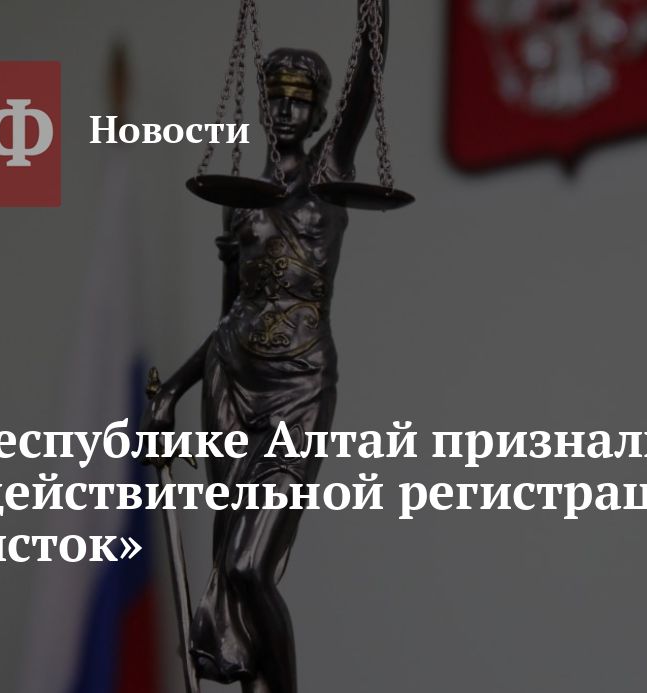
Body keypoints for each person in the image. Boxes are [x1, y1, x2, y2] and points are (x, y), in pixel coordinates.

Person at [140, 3, 388, 691]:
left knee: (251, 566)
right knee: (229, 564)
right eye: (275, 98)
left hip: (298, 388)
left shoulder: (329, 170)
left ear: (318, 113)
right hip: (232, 385)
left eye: (299, 100)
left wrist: (377, 10)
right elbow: (230, 315)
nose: (285, 110)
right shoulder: (240, 198)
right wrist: (174, 392)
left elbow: (369, 79)